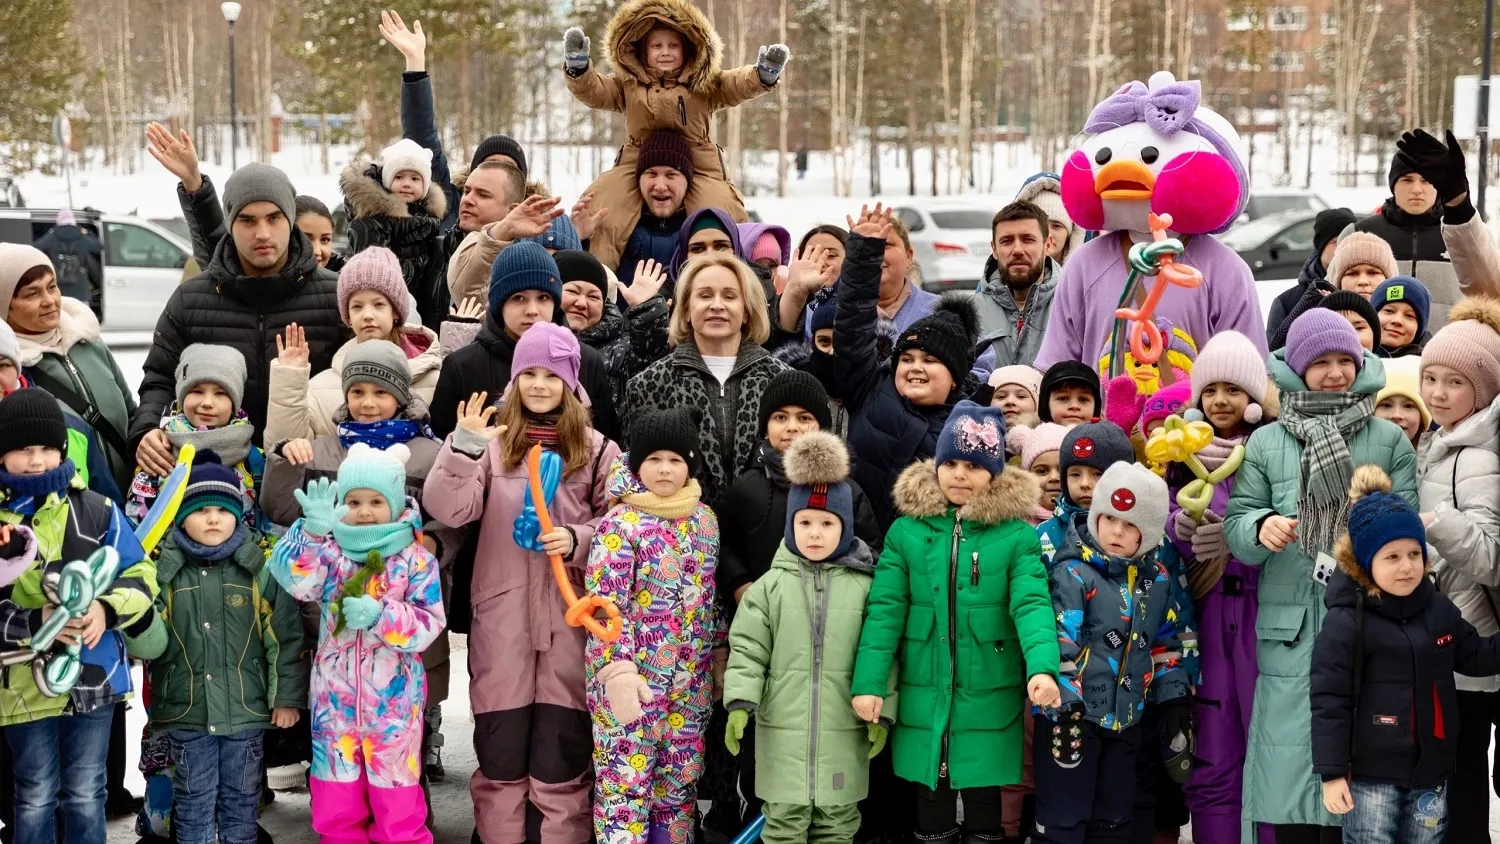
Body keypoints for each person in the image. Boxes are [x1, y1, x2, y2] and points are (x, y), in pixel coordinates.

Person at [1225, 309, 1418, 844]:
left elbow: (1408, 533)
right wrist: (1260, 526)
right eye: (1321, 362)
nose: (1335, 373)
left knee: (1356, 787)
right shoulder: (1266, 442)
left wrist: (1369, 529)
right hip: (1289, 627)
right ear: (1298, 367)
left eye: (1344, 361)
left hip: (1365, 620)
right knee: (1290, 778)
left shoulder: (1388, 440)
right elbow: (1238, 521)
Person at [424, 324, 620, 844]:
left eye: (550, 375)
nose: (538, 384)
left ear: (570, 383)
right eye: (528, 373)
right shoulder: (490, 445)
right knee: (501, 761)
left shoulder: (598, 451)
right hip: (503, 624)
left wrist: (578, 538)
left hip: (568, 627)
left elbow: (624, 529)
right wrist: (462, 447)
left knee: (561, 764)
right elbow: (449, 507)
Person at [850, 401, 1062, 844]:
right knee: (932, 789)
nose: (960, 474)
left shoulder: (1015, 535)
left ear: (994, 473)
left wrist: (1042, 666)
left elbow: (1032, 603)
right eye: (951, 462)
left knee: (985, 792)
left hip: (989, 686)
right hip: (923, 686)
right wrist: (869, 683)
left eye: (973, 465)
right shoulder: (907, 531)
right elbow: (885, 611)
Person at [1311, 466, 1500, 844]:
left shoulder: (1439, 610)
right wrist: (1332, 774)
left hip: (1432, 773)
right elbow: (1329, 700)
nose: (1407, 566)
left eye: (1414, 553)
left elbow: (1476, 656)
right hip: (1371, 777)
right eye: (1392, 556)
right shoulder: (1347, 621)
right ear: (1365, 564)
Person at [268, 443, 444, 844]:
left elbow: (429, 623)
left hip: (394, 711)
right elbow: (293, 581)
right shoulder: (329, 552)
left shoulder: (417, 560)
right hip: (335, 708)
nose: (364, 511)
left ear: (396, 502)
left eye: (376, 501)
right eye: (354, 501)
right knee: (337, 806)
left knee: (397, 807)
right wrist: (309, 533)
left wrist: (383, 617)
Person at [0, 389, 155, 844]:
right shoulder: (4, 524)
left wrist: (108, 609)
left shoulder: (96, 510)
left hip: (96, 675)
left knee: (88, 791)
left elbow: (140, 573)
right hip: (24, 687)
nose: (36, 460)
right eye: (24, 449)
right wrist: (34, 622)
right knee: (33, 793)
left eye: (47, 448)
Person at [1035, 73, 1268, 373]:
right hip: (1102, 419)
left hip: (1193, 420)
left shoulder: (1224, 271)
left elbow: (1248, 372)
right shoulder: (1084, 266)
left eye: (1149, 157)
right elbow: (1058, 369)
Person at [723, 431, 884, 844]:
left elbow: (883, 652)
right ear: (790, 525)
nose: (815, 533)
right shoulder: (769, 587)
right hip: (782, 731)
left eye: (827, 523)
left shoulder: (866, 589)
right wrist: (740, 702)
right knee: (783, 823)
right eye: (805, 522)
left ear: (846, 526)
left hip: (843, 728)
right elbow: (748, 649)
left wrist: (885, 711)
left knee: (837, 822)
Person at [139, 452, 306, 844]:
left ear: (237, 514)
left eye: (222, 509)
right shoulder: (164, 571)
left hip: (245, 714)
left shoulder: (258, 570)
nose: (213, 519)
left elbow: (284, 638)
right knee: (193, 806)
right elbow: (150, 638)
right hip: (187, 712)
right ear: (180, 517)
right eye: (201, 510)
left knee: (241, 806)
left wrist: (285, 697)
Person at [131, 162, 345, 469]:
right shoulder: (190, 300)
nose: (262, 233)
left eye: (274, 218)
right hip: (213, 489)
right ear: (230, 224)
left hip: (310, 481)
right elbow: (159, 380)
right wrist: (148, 429)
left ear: (291, 220)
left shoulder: (336, 297)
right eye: (247, 220)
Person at [1034, 461, 1194, 844]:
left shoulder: (1158, 581)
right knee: (1064, 817)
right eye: (1109, 519)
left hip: (1127, 720)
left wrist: (1174, 701)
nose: (1117, 532)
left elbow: (1166, 641)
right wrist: (1065, 701)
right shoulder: (1072, 573)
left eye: (1131, 524)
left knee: (1115, 817)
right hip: (1071, 720)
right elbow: (1058, 640)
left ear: (1150, 532)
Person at [561, 0, 787, 271]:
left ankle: (730, 275)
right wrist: (579, 69)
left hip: (698, 161)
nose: (665, 52)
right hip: (638, 160)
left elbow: (734, 84)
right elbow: (597, 92)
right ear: (641, 50)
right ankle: (597, 276)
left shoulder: (703, 83)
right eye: (657, 46)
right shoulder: (629, 83)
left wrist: (762, 75)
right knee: (605, 204)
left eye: (673, 46)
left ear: (689, 49)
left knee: (720, 210)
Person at [584, 408, 718, 844]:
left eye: (676, 459)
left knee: (678, 788)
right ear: (637, 463)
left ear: (691, 464)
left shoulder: (705, 521)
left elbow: (708, 599)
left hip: (688, 686)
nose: (665, 468)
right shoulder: (620, 525)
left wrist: (716, 655)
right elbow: (604, 608)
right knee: (625, 791)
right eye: (655, 458)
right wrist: (617, 672)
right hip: (633, 686)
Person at [1164, 330, 1268, 844]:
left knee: (1271, 756)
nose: (1221, 400)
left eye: (1233, 389)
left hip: (1261, 617)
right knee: (1213, 754)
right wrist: (1176, 530)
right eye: (1210, 390)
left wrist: (1231, 526)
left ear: (1254, 400)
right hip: (1204, 622)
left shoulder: (1270, 452)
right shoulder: (1178, 455)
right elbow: (1156, 528)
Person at [832, 207, 982, 530]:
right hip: (858, 544)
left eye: (930, 361)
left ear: (955, 377)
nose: (916, 367)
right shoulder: (871, 388)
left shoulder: (968, 422)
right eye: (907, 358)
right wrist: (862, 256)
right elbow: (853, 326)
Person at [1412, 297, 1500, 842]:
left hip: (1472, 644)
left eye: (1454, 383)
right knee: (1451, 775)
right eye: (1431, 379)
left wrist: (1433, 522)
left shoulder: (1478, 456)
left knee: (1465, 775)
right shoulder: (1438, 441)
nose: (1438, 394)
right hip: (1449, 639)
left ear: (1484, 390)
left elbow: (1490, 556)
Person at [623, 252, 786, 507]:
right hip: (681, 536)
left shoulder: (781, 380)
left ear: (746, 311)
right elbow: (634, 474)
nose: (717, 305)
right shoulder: (648, 383)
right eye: (705, 295)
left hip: (763, 537)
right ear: (686, 309)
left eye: (730, 296)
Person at [430, 241, 620, 442]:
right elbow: (441, 449)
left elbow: (607, 450)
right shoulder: (463, 366)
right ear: (499, 304)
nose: (532, 310)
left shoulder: (585, 360)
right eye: (518, 298)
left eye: (544, 297)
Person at [264, 246, 443, 446]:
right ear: (347, 316)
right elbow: (283, 451)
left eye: (378, 304)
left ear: (396, 311)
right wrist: (289, 381)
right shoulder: (320, 387)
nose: (367, 315)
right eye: (357, 306)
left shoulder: (435, 378)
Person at [0, 244, 138, 495]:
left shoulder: (90, 343)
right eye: (32, 294)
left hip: (134, 496)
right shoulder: (12, 375)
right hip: (71, 514)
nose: (49, 301)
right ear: (4, 307)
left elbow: (131, 412)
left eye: (52, 286)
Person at [144, 124, 347, 274]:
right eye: (306, 237)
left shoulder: (340, 290)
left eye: (326, 239)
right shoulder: (230, 280)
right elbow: (213, 240)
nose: (317, 250)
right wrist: (193, 182)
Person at [127, 344, 264, 527]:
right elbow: (136, 526)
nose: (207, 403)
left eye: (221, 393)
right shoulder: (159, 454)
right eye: (197, 391)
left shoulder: (255, 461)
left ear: (235, 402)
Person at [340, 139, 449, 329]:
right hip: (384, 308)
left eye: (415, 179)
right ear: (387, 181)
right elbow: (371, 276)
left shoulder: (427, 222)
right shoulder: (372, 221)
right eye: (399, 177)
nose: (407, 184)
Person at [558, 249, 671, 403]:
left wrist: (646, 309)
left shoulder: (620, 351)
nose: (582, 303)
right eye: (572, 291)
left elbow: (648, 357)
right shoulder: (527, 337)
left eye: (593, 297)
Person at [1272, 233, 1399, 351]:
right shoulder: (1317, 319)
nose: (1363, 281)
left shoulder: (1402, 322)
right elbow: (1277, 356)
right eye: (1352, 273)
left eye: (1373, 272)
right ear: (1338, 281)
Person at [1037, 420, 1135, 569]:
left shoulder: (1142, 532)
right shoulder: (1044, 535)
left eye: (1097, 474)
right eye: (1075, 474)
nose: (1084, 484)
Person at [974, 201, 1058, 370]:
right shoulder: (971, 313)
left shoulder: (1072, 306)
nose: (1017, 250)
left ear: (1047, 244)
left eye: (1028, 240)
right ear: (994, 249)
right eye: (1007, 241)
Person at [1266, 208, 1357, 342]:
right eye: (1336, 242)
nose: (1344, 247)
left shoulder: (1368, 292)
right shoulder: (1288, 302)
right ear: (1321, 247)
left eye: (1349, 241)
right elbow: (1273, 354)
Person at [32, 209, 102, 315]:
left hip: (60, 290)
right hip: (80, 290)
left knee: (63, 320)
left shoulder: (52, 236)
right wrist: (88, 232)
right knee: (82, 319)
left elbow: (35, 248)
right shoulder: (82, 236)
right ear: (73, 220)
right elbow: (98, 247)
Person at [1006, 421, 1069, 525]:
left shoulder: (1090, 522)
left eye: (1063, 469)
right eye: (1042, 471)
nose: (1054, 477)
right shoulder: (1012, 523)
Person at [1014, 173, 1083, 266]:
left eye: (1056, 226)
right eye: (1039, 224)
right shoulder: (996, 277)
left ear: (1070, 235)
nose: (1047, 234)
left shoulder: (1088, 277)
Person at [1373, 359, 1430, 450]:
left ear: (1422, 418)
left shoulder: (1438, 460)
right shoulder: (1349, 456)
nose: (1396, 415)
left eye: (1408, 406)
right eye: (1386, 405)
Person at [1371, 276, 1431, 358]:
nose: (1397, 320)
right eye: (1389, 311)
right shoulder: (1353, 358)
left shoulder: (1430, 365)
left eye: (1409, 316)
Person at [1037, 361, 1100, 427]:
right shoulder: (1033, 436)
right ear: (1046, 405)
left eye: (1083, 399)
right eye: (1063, 398)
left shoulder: (1105, 437)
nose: (1074, 406)